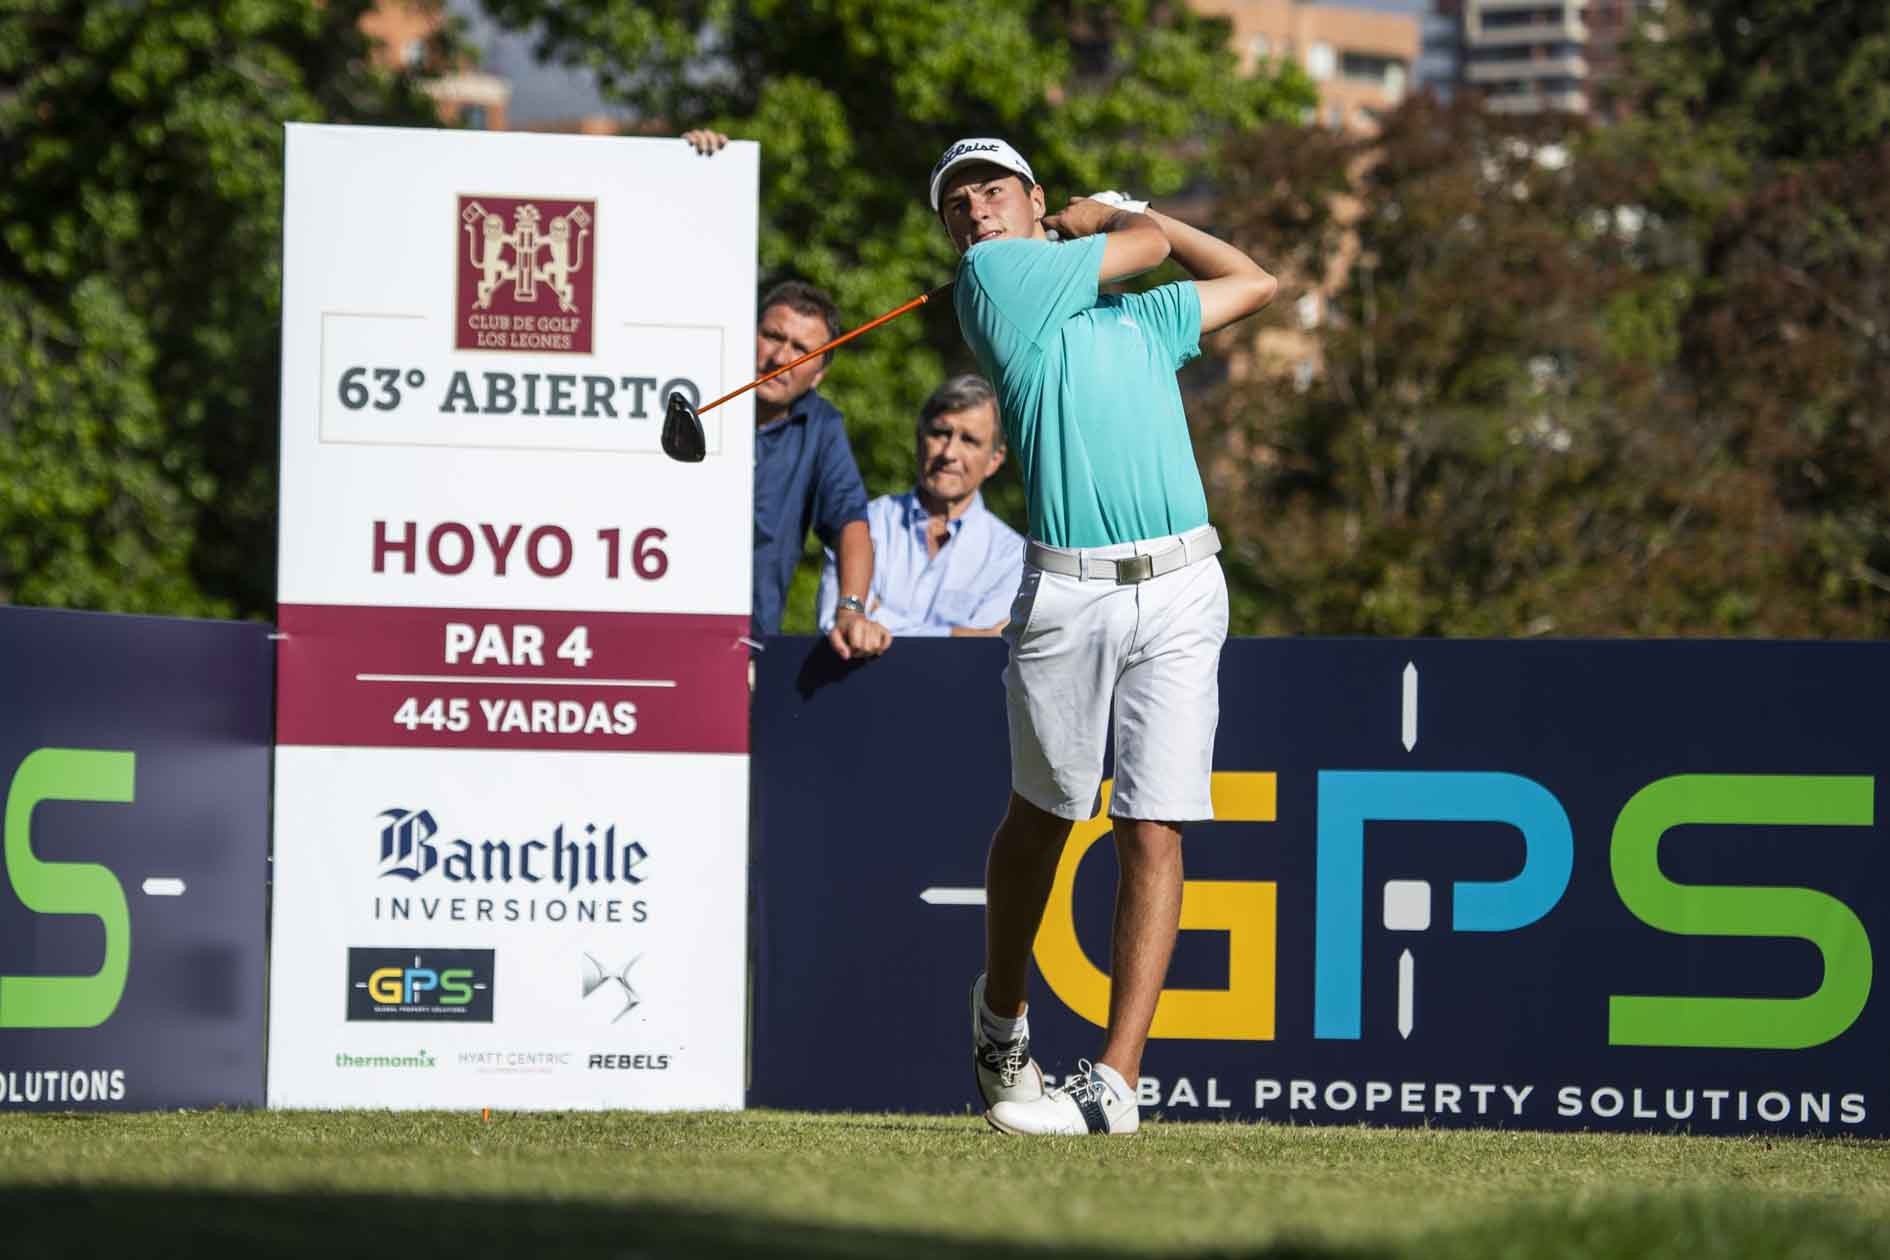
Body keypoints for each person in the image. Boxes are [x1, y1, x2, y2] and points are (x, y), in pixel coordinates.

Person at [930, 138, 1278, 1136]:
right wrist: (1117, 219)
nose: (975, 211)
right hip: (1070, 594)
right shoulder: (995, 281)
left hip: (1183, 582)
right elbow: (1143, 249)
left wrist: (1137, 218)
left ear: (1034, 198)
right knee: (1045, 814)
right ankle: (1003, 1013)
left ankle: (1118, 1084)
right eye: (957, 206)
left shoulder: (1139, 319)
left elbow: (1255, 282)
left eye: (993, 191)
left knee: (1154, 823)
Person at [683, 130, 888, 661]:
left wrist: (851, 607)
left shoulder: (821, 427)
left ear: (818, 373)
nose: (780, 357)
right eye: (772, 336)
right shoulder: (688, 394)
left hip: (741, 648)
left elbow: (851, 523)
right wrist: (693, 168)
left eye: (801, 350)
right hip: (646, 622)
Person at [813, 374, 1024, 642]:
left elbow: (983, 651)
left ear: (995, 459)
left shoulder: (1013, 558)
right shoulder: (862, 524)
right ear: (919, 437)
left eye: (969, 440)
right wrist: (958, 634)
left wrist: (877, 616)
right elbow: (836, 622)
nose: (949, 453)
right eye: (940, 433)